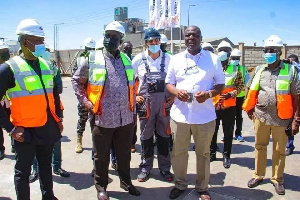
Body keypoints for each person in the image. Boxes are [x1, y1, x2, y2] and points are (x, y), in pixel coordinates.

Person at [72, 21, 140, 200]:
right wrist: (85, 101)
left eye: (114, 37)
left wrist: (133, 115)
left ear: (120, 39)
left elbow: (132, 87)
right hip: (103, 117)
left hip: (125, 117)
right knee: (101, 156)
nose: (110, 39)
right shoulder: (92, 59)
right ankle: (101, 186)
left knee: (124, 154)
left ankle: (126, 182)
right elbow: (76, 80)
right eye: (107, 35)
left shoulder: (126, 59)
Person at [0, 18, 63, 200]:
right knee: (23, 172)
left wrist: (58, 119)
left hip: (47, 127)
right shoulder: (8, 69)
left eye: (42, 40)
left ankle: (48, 196)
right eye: (36, 40)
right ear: (23, 41)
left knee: (45, 165)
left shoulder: (46, 64)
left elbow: (54, 95)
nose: (41, 44)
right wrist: (10, 129)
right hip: (24, 131)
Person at [165, 26, 225, 200]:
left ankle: (202, 187)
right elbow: (169, 83)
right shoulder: (175, 59)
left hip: (205, 116)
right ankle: (180, 184)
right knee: (178, 152)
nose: (191, 37)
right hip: (180, 115)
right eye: (188, 35)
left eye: (195, 35)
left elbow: (220, 85)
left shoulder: (212, 59)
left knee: (204, 153)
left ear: (200, 37)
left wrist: (208, 94)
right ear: (185, 38)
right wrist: (176, 93)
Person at [244, 35, 300, 195]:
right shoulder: (259, 69)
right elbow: (250, 87)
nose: (268, 53)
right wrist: (249, 107)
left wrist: (296, 120)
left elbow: (297, 97)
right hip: (260, 116)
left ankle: (277, 179)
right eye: (266, 50)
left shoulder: (291, 70)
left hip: (281, 119)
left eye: (272, 50)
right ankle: (258, 175)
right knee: (260, 147)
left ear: (280, 52)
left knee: (279, 150)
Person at [132, 28, 173, 182]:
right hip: (146, 105)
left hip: (164, 104)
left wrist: (174, 98)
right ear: (146, 43)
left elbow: (176, 80)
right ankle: (145, 168)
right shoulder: (137, 60)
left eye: (157, 40)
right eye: (151, 41)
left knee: (164, 136)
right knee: (146, 137)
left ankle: (165, 169)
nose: (155, 43)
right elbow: (129, 80)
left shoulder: (169, 59)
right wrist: (135, 95)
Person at [29, 47, 70, 183]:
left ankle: (57, 167)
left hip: (53, 110)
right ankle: (36, 170)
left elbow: (58, 88)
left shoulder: (51, 67)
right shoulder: (28, 69)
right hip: (34, 112)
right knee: (36, 142)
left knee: (56, 141)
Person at [210, 44, 244, 168]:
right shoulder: (212, 67)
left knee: (228, 132)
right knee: (212, 131)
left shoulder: (235, 69)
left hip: (229, 106)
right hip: (214, 105)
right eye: (220, 51)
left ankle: (226, 156)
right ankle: (212, 153)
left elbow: (240, 86)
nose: (222, 53)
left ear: (229, 54)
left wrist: (231, 93)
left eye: (225, 51)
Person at [73, 37, 96, 153]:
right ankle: (78, 141)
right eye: (89, 48)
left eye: (92, 48)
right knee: (82, 118)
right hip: (84, 96)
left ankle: (96, 144)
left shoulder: (98, 60)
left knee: (96, 123)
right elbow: (75, 78)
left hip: (95, 96)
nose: (90, 51)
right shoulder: (80, 60)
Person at [121, 41, 137, 153]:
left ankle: (132, 143)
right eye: (125, 48)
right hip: (122, 95)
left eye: (129, 48)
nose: (127, 50)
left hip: (133, 94)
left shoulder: (134, 60)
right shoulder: (119, 59)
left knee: (133, 123)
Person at [230, 49, 249, 142]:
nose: (235, 59)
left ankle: (238, 133)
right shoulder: (227, 68)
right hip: (229, 97)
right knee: (229, 117)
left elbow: (247, 83)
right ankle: (228, 134)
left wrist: (246, 97)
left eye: (237, 58)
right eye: (233, 58)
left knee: (238, 115)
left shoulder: (244, 69)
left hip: (239, 97)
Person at [0, 41, 14, 159]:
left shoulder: (11, 67)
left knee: (13, 122)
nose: (6, 54)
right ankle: (1, 149)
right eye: (3, 52)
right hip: (1, 102)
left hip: (10, 102)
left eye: (6, 51)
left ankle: (14, 144)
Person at [285, 54, 300, 156]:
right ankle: (289, 146)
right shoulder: (289, 71)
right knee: (291, 125)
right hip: (293, 101)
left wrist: (294, 65)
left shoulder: (297, 69)